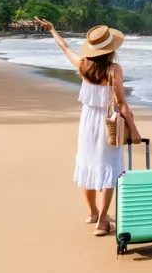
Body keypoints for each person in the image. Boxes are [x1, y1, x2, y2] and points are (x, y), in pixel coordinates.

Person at [34, 18, 141, 236]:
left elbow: (64, 48)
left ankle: (92, 212)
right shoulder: (114, 70)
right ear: (110, 49)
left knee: (89, 164)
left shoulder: (83, 64)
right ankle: (102, 222)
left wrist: (52, 29)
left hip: (87, 122)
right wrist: (134, 129)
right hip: (107, 122)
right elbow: (121, 103)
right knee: (109, 167)